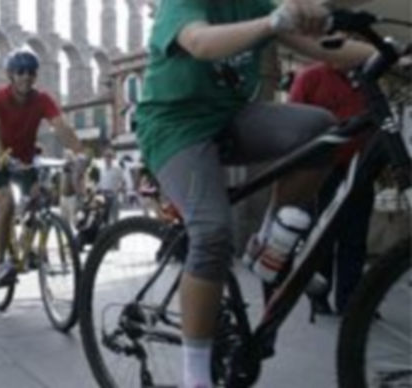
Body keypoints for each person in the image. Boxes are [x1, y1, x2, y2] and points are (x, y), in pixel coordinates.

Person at [137, 1, 376, 386]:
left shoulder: (258, 3)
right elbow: (199, 42)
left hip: (229, 118)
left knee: (323, 130)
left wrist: (392, 53)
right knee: (212, 234)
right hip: (174, 128)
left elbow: (325, 48)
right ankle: (195, 377)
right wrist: (271, 23)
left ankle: (267, 242)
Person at [0, 49, 87, 288]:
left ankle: (26, 248)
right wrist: (2, 156)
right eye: (20, 71)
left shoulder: (42, 99)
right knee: (6, 203)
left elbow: (60, 126)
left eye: (31, 72)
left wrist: (80, 152)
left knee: (41, 198)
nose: (26, 76)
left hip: (25, 161)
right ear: (11, 75)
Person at [289, 61, 371, 315]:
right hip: (322, 168)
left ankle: (351, 301)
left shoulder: (366, 78)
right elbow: (294, 119)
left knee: (355, 237)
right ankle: (319, 296)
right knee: (323, 233)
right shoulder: (311, 77)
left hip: (359, 166)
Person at [97, 148, 125, 226]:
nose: (107, 159)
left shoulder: (117, 168)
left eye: (109, 156)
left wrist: (119, 188)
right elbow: (101, 181)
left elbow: (122, 181)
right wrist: (97, 189)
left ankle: (116, 231)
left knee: (115, 217)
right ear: (104, 158)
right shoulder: (101, 169)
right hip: (104, 195)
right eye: (106, 156)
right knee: (105, 217)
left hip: (114, 194)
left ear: (112, 158)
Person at [59, 150, 80, 228]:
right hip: (63, 195)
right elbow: (62, 182)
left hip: (72, 196)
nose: (67, 158)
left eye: (68, 156)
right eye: (66, 156)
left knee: (73, 218)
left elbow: (75, 181)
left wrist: (78, 194)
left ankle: (75, 232)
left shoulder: (74, 167)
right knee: (64, 218)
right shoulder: (63, 167)